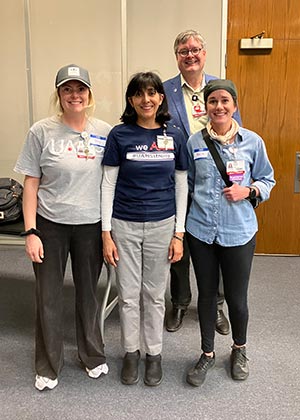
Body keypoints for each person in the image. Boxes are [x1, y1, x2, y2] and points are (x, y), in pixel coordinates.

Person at [14, 64, 112, 391]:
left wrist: (110, 232)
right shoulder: (41, 131)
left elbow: (112, 183)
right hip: (50, 226)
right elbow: (30, 184)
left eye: (80, 89)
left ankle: (92, 356)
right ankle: (47, 365)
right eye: (67, 89)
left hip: (90, 226)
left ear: (89, 93)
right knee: (48, 297)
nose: (74, 95)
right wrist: (31, 232)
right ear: (59, 94)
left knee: (88, 295)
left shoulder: (105, 132)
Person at [185, 79, 275, 386]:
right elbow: (187, 184)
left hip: (238, 232)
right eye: (212, 101)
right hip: (200, 232)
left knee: (236, 298)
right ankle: (207, 353)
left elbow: (268, 180)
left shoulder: (253, 142)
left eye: (225, 100)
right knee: (207, 296)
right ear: (205, 107)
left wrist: (248, 190)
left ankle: (239, 349)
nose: (219, 106)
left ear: (234, 106)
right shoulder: (194, 143)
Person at [101, 72, 188, 386]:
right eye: (139, 94)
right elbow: (108, 184)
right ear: (131, 100)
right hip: (124, 225)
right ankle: (130, 352)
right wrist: (106, 232)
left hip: (163, 225)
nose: (146, 99)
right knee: (128, 295)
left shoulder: (174, 136)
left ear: (161, 98)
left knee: (153, 295)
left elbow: (181, 187)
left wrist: (179, 233)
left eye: (152, 93)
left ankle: (154, 354)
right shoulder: (119, 135)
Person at [164, 29, 242, 334]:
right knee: (178, 243)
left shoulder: (221, 89)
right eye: (183, 51)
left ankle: (216, 304)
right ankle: (180, 302)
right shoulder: (165, 90)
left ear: (204, 54)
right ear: (177, 57)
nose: (190, 55)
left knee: (217, 244)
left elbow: (237, 132)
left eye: (195, 49)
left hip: (215, 182)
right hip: (177, 180)